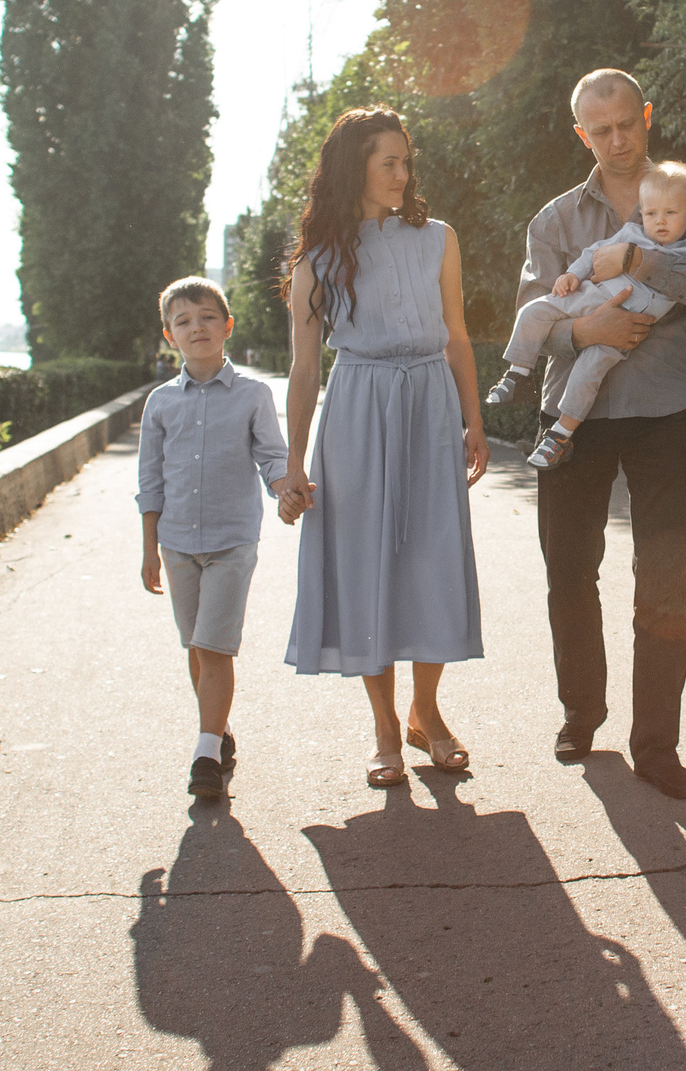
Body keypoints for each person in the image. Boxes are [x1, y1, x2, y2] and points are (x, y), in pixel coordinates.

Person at [518, 70, 686, 800]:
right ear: (581, 133)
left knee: (668, 575)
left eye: (627, 124)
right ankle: (582, 712)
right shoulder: (553, 222)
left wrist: (642, 259)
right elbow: (532, 323)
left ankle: (657, 745)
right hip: (572, 418)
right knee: (568, 570)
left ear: (646, 117)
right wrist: (590, 327)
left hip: (666, 408)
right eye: (600, 130)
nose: (617, 142)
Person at [279, 106, 489, 788]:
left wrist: (473, 419)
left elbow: (457, 334)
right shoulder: (320, 257)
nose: (402, 174)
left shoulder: (439, 239)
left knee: (432, 560)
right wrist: (294, 462)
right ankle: (383, 726)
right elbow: (306, 370)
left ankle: (426, 712)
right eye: (387, 162)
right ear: (355, 168)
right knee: (366, 564)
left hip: (430, 402)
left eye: (406, 161)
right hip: (359, 405)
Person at [486, 161, 686, 471]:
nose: (659, 222)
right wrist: (570, 275)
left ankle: (561, 435)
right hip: (589, 298)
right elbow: (594, 252)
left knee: (586, 373)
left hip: (630, 331)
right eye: (651, 213)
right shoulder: (632, 232)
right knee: (534, 310)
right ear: (642, 213)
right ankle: (519, 373)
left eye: (670, 213)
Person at [136, 276, 291, 802]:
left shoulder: (253, 395)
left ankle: (204, 754)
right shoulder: (159, 404)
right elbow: (150, 481)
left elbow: (272, 456)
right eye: (183, 321)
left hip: (231, 541)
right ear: (169, 335)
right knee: (196, 649)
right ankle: (218, 732)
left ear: (226, 327)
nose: (196, 327)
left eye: (206, 317)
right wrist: (148, 548)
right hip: (177, 543)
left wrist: (285, 489)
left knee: (213, 644)